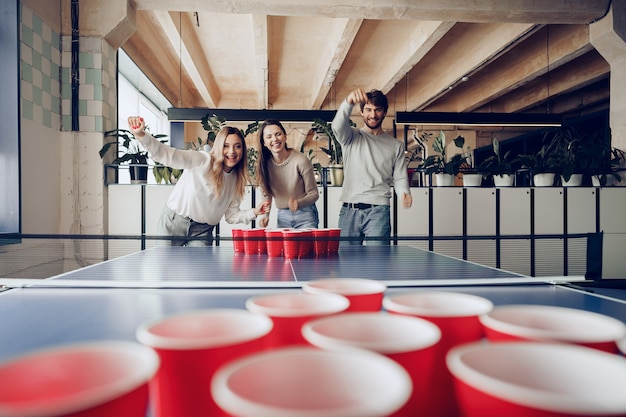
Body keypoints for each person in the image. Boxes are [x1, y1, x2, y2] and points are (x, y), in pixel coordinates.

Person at [128, 116, 270, 246]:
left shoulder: (237, 180)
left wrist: (255, 212)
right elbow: (169, 155)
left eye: (237, 146)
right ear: (219, 146)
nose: (232, 151)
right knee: (167, 271)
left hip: (202, 232)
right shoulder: (203, 160)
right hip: (173, 223)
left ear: (242, 150)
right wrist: (141, 135)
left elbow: (232, 216)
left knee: (199, 272)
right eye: (226, 146)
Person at [331, 88, 412, 245]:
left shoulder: (396, 146)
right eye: (368, 109)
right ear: (361, 112)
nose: (373, 115)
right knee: (346, 264)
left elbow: (400, 177)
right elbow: (337, 126)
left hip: (379, 211)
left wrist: (404, 192)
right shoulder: (350, 137)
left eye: (377, 110)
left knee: (377, 264)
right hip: (349, 211)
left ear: (384, 112)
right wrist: (348, 102)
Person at [255, 119, 320, 229]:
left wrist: (298, 203)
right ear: (264, 143)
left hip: (306, 214)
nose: (275, 139)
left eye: (278, 134)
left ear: (285, 136)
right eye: (269, 137)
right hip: (283, 216)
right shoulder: (263, 165)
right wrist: (265, 216)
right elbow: (266, 196)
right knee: (285, 247)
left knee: (306, 247)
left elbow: (314, 193)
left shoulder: (300, 160)